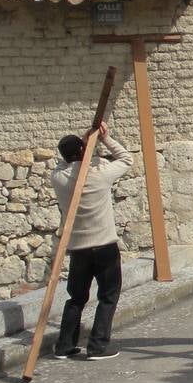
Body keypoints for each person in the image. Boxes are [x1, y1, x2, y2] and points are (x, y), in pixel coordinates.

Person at [49, 120, 133, 360]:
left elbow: (62, 166)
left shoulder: (59, 178)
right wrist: (102, 140)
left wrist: (84, 148)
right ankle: (97, 346)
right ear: (83, 152)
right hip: (104, 244)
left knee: (76, 297)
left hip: (78, 248)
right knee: (108, 295)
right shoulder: (99, 172)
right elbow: (127, 159)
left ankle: (64, 345)